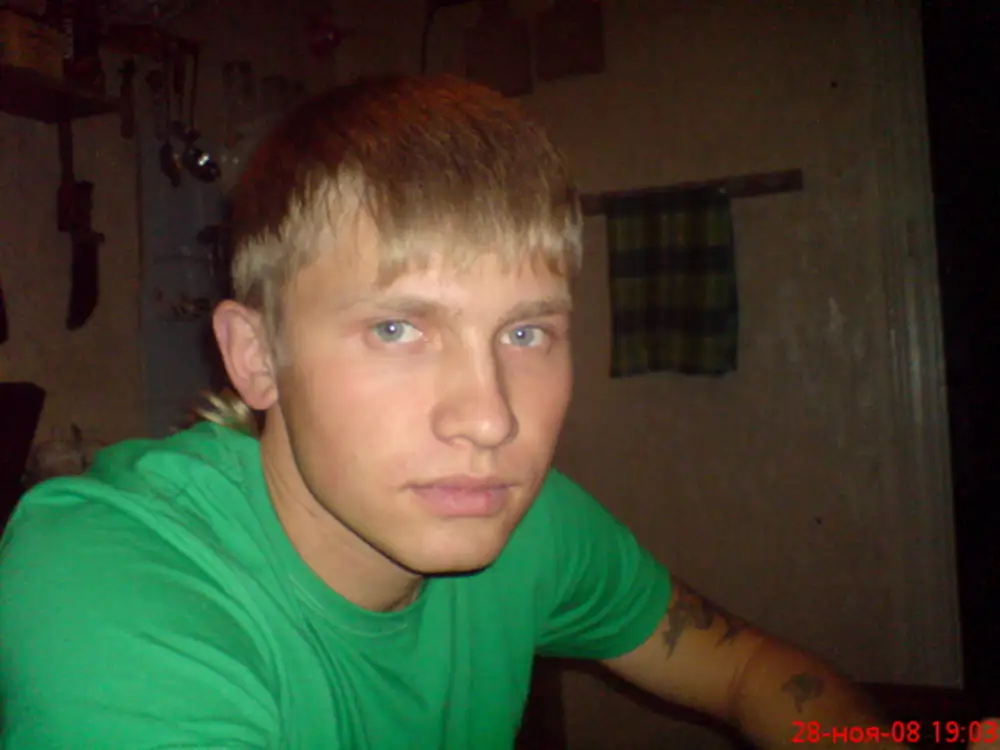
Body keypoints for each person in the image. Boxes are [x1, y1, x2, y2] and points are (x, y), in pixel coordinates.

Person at [0, 74, 989, 749]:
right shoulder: (109, 581)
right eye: (397, 328)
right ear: (258, 358)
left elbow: (753, 675)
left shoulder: (527, 527)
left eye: (525, 331)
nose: (490, 422)